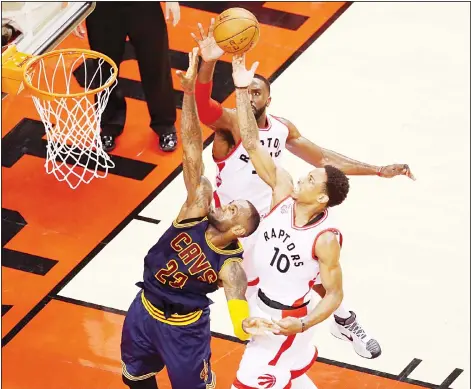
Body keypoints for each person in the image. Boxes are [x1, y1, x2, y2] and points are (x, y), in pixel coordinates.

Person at [192, 19, 415, 359]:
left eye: (257, 91)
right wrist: (208, 63)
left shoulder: (282, 128)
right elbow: (203, 107)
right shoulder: (231, 123)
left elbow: (322, 158)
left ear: (269, 97)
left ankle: (343, 319)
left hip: (270, 215)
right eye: (246, 89)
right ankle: (261, 345)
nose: (251, 95)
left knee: (308, 268)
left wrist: (376, 170)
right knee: (248, 289)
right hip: (233, 223)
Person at [120, 48, 275, 389]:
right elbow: (191, 145)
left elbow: (237, 304)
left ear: (237, 230)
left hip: (184, 331)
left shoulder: (230, 265)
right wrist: (188, 92)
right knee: (135, 377)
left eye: (234, 209)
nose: (226, 204)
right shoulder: (196, 208)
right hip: (144, 308)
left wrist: (245, 325)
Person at [231, 53, 349, 389]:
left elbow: (334, 294)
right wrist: (241, 90)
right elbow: (252, 142)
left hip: (288, 318)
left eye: (312, 180)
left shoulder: (325, 238)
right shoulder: (283, 190)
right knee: (285, 379)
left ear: (323, 198)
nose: (303, 179)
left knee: (246, 381)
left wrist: (305, 323)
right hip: (261, 304)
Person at [81, 2, 181, 152]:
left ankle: (165, 124)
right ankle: (109, 125)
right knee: (104, 69)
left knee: (156, 63)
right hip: (103, 8)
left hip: (143, 6)